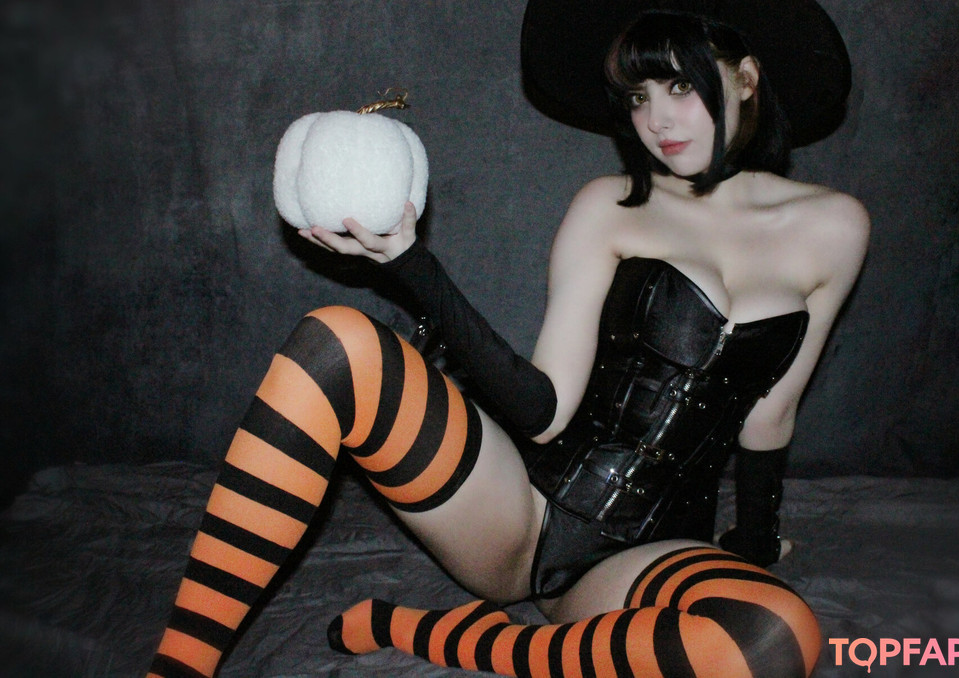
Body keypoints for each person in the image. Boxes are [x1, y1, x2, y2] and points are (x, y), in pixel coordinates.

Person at [147, 1, 867, 676]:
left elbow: (771, 415)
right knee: (336, 343)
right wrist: (410, 266)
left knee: (773, 636)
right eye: (637, 96)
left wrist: (755, 544)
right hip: (518, 511)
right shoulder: (612, 206)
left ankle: (438, 634)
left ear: (746, 77)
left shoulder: (835, 227)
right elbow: (542, 412)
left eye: (679, 85)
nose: (656, 120)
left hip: (649, 556)